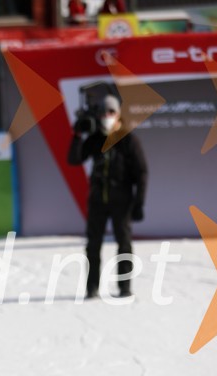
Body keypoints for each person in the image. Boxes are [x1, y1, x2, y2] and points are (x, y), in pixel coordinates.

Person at [68, 94, 147, 298]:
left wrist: (139, 203)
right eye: (103, 112)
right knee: (93, 244)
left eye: (111, 112)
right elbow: (75, 159)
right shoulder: (95, 139)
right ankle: (92, 288)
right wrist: (77, 136)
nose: (107, 116)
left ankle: (124, 287)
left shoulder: (128, 139)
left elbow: (142, 172)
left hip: (122, 200)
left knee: (124, 243)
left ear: (118, 114)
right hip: (97, 200)